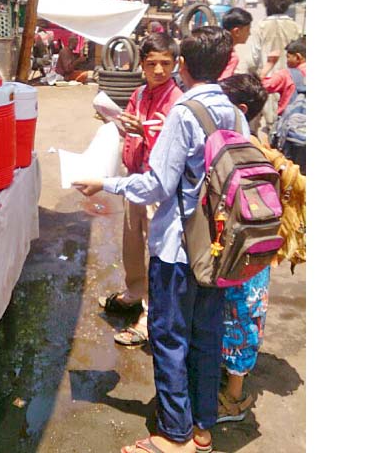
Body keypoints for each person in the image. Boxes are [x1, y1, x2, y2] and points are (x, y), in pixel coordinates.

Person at [74, 26, 244, 453]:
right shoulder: (233, 112)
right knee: (207, 337)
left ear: (182, 66)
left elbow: (154, 186)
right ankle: (202, 427)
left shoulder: (185, 113)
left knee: (169, 337)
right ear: (224, 65)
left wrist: (105, 183)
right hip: (219, 248)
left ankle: (174, 434)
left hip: (178, 247)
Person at [98, 33, 183, 348]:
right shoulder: (139, 93)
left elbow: (174, 147)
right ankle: (134, 292)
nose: (159, 70)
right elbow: (131, 126)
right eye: (152, 64)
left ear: (176, 64)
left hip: (157, 186)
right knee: (132, 242)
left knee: (155, 251)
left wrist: (144, 130)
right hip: (134, 179)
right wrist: (122, 123)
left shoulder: (177, 101)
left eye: (165, 63)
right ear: (142, 65)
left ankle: (149, 316)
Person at [215, 73, 270, 423]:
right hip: (245, 253)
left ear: (239, 109)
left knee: (240, 319)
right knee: (234, 318)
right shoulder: (249, 145)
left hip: (244, 255)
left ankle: (233, 400)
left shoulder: (249, 153)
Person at [248, 0, 301, 138]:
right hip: (292, 83)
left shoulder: (261, 27)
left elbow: (254, 59)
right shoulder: (295, 27)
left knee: (263, 127)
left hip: (267, 82)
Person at [258, 37, 306, 116]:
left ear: (297, 57)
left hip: (290, 123)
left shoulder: (286, 75)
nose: (287, 61)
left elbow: (259, 88)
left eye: (288, 57)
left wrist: (269, 64)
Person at [218, 7, 253, 80]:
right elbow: (224, 82)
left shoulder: (218, 47)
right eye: (247, 30)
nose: (249, 33)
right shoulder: (231, 56)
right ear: (236, 32)